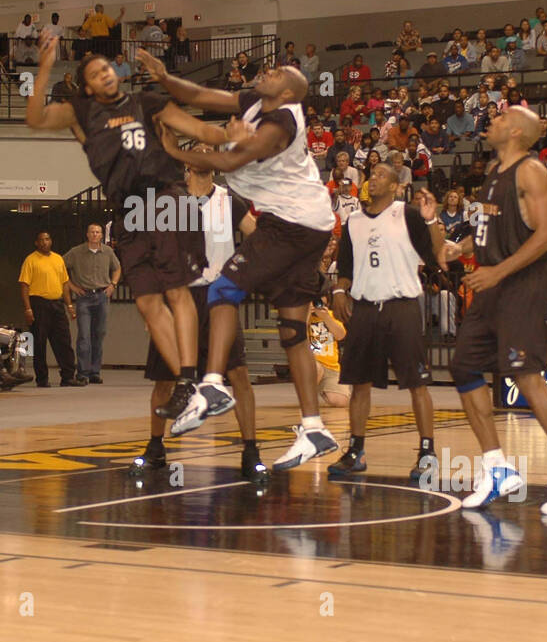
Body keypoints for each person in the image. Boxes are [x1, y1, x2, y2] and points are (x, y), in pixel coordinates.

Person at [137, 49, 342, 474]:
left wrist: (176, 150)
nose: (266, 72)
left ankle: (212, 386)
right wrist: (165, 76)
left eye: (276, 72)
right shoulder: (253, 101)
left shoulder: (281, 123)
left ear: (287, 92)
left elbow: (229, 161)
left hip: (292, 223)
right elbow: (201, 94)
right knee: (291, 331)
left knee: (224, 290)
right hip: (311, 222)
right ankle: (314, 427)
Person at [28, 32, 228, 414]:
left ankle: (194, 378)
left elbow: (201, 130)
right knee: (148, 303)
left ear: (116, 73)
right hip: (129, 210)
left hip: (165, 195)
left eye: (107, 68)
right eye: (95, 72)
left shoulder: (146, 101)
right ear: (86, 85)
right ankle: (189, 385)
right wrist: (45, 67)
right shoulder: (82, 113)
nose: (104, 74)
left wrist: (237, 139)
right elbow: (35, 118)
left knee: (176, 291)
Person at [442, 105, 547, 515]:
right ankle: (496, 467)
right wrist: (458, 248)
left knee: (526, 376)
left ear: (515, 131)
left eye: (497, 119)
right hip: (494, 284)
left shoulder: (530, 171)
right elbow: (489, 229)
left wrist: (497, 272)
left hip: (520, 285)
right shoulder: (494, 173)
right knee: (463, 365)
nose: (490, 122)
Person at [133, 148, 260, 478]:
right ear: (187, 164)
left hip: (219, 296)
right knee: (165, 379)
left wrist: (243, 270)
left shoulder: (230, 201)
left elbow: (259, 238)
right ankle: (155, 446)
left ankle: (251, 450)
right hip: (180, 295)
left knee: (239, 376)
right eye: (199, 152)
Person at [327, 159, 440, 479]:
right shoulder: (353, 221)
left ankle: (428, 453)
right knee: (358, 384)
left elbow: (435, 257)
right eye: (369, 175)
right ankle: (355, 450)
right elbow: (346, 268)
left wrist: (431, 224)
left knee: (417, 384)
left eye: (380, 175)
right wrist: (338, 291)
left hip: (401, 306)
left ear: (395, 186)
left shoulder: (408, 214)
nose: (372, 179)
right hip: (364, 308)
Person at [18, 231, 82, 388]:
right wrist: (28, 309)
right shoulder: (31, 260)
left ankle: (68, 376)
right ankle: (42, 379)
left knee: (64, 341)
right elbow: (24, 286)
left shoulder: (58, 259)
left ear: (51, 241)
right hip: (38, 304)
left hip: (57, 304)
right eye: (41, 240)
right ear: (36, 243)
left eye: (47, 239)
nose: (44, 242)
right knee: (39, 342)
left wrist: (70, 306)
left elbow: (65, 284)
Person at [62, 223, 121, 385]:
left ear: (102, 235)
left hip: (102, 296)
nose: (95, 234)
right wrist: (72, 286)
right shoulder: (76, 252)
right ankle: (83, 372)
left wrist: (113, 284)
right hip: (84, 297)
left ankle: (95, 371)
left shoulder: (108, 252)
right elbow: (60, 268)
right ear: (87, 235)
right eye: (92, 232)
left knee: (99, 334)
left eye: (98, 232)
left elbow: (117, 268)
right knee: (84, 336)